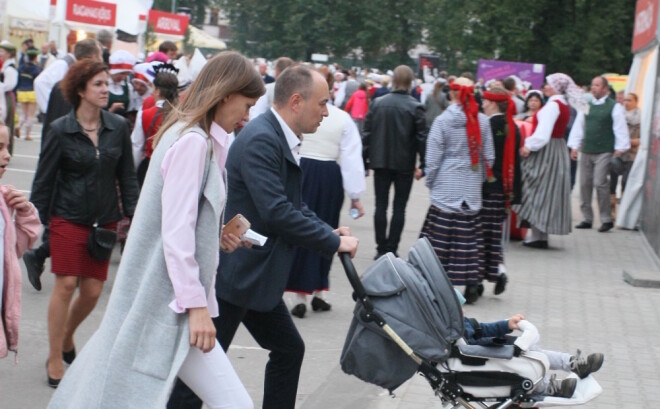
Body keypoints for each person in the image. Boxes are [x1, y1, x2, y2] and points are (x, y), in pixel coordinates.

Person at [47, 51, 260, 409]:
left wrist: (214, 234)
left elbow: (182, 223)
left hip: (165, 300)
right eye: (247, 104)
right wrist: (196, 307)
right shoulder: (194, 142)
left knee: (112, 386)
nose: (247, 116)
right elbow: (175, 233)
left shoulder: (192, 135)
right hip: (169, 303)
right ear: (226, 94)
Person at [167, 65, 360, 409]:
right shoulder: (262, 139)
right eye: (323, 103)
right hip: (236, 275)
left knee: (288, 350)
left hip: (254, 275)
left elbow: (294, 205)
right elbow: (277, 212)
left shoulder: (275, 136)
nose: (327, 112)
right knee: (194, 384)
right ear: (297, 102)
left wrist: (328, 232)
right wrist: (332, 243)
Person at [29, 59, 139, 388]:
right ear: (80, 90)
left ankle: (65, 338)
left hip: (104, 220)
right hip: (67, 217)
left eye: (107, 84)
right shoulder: (60, 129)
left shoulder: (118, 127)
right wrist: (34, 226)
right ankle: (53, 358)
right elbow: (43, 182)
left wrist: (134, 217)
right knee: (65, 286)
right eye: (99, 85)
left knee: (91, 293)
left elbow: (128, 178)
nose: (106, 89)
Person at [22, 39, 103, 292]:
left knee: (66, 209)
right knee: (67, 210)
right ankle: (44, 254)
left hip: (65, 153)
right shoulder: (65, 83)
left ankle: (42, 254)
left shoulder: (68, 86)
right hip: (65, 155)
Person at [287, 71, 366, 318]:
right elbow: (352, 158)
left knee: (301, 229)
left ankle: (299, 295)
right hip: (329, 174)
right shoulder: (343, 118)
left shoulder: (297, 111)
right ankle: (319, 292)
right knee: (326, 230)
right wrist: (355, 195)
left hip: (301, 168)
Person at [419, 77, 495, 303]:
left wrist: (431, 180)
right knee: (469, 240)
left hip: (445, 185)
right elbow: (489, 157)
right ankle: (471, 284)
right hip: (470, 188)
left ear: (451, 94)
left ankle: (436, 286)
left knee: (440, 241)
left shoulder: (443, 121)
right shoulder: (482, 121)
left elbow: (433, 157)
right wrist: (477, 178)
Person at [454, 290, 605, 398]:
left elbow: (482, 328)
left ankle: (572, 363)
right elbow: (475, 341)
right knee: (526, 362)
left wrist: (507, 324)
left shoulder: (461, 324)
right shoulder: (455, 330)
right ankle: (548, 387)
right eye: (461, 308)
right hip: (486, 358)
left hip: (493, 351)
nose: (465, 311)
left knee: (535, 351)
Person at [363, 65, 427, 259]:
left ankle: (381, 247)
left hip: (380, 160)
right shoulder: (415, 107)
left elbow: (367, 133)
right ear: (410, 82)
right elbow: (421, 138)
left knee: (380, 206)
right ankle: (391, 247)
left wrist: (365, 160)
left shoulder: (377, 103)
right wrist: (423, 164)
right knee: (400, 207)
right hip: (404, 163)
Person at [517, 73, 582, 248]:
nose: (545, 86)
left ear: (555, 87)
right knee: (546, 191)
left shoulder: (553, 105)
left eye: (548, 84)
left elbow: (543, 134)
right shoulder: (563, 104)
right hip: (558, 148)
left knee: (536, 188)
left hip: (546, 151)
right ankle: (540, 235)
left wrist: (528, 146)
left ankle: (538, 236)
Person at [0, 120, 41, 360]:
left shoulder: (4, 201)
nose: (6, 155)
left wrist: (24, 213)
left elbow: (13, 252)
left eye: (8, 147)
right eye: (0, 147)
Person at [567, 76, 630, 233]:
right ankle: (587, 218)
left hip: (605, 151)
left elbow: (620, 128)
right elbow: (579, 126)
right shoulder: (587, 105)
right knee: (584, 184)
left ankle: (606, 219)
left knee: (600, 182)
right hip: (587, 149)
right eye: (592, 85)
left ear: (605, 89)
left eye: (597, 85)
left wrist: (620, 148)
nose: (593, 88)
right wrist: (574, 146)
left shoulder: (614, 107)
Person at [478, 87, 522, 297]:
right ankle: (499, 270)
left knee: (479, 235)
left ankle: (477, 278)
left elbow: (484, 157)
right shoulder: (512, 126)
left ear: (494, 103)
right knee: (493, 234)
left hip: (486, 187)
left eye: (485, 101)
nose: (482, 104)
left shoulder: (489, 125)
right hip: (503, 189)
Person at [132, 63, 179, 186]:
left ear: (157, 91)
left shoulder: (144, 115)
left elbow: (137, 146)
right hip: (176, 171)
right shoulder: (183, 115)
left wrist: (132, 172)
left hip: (150, 169)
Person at [610, 92, 640, 216]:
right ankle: (612, 209)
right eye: (625, 100)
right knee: (612, 180)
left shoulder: (641, 117)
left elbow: (644, 138)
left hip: (632, 154)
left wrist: (629, 142)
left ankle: (623, 211)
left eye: (629, 100)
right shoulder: (618, 114)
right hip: (617, 153)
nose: (626, 102)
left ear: (635, 102)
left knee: (626, 182)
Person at [16, 47, 42, 141]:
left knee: (23, 113)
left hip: (22, 91)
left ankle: (18, 125)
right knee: (30, 115)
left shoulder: (21, 67)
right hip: (32, 92)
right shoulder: (36, 69)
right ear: (35, 57)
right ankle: (28, 134)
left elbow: (17, 80)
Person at [0, 41, 18, 153]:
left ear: (9, 54)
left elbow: (9, 85)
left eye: (2, 51)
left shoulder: (10, 68)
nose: (0, 53)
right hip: (4, 94)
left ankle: (5, 149)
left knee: (6, 122)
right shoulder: (6, 66)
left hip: (7, 97)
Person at [106, 50, 136, 117]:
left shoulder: (128, 87)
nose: (123, 77)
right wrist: (111, 110)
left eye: (127, 74)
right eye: (121, 73)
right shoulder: (104, 84)